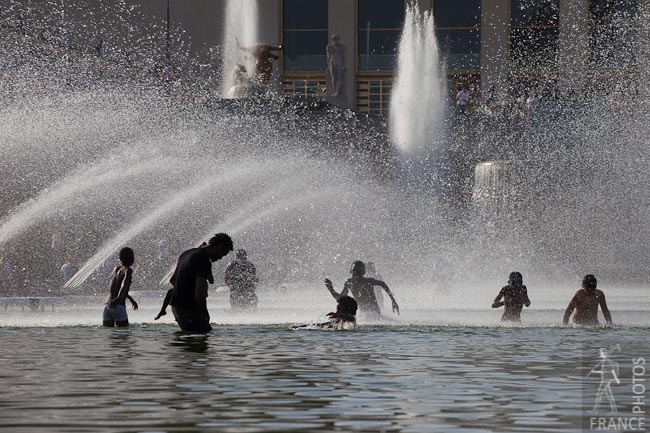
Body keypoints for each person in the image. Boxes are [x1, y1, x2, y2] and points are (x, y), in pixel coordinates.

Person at [168, 234, 234, 332]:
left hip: (177, 308)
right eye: (222, 254)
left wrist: (185, 292)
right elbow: (199, 296)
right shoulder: (203, 260)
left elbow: (173, 280)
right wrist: (205, 314)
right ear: (217, 247)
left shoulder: (187, 253)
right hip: (190, 310)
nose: (220, 258)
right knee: (202, 339)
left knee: (189, 342)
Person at [324, 260, 399, 320]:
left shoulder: (368, 282)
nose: (356, 275)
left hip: (375, 314)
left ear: (363, 273)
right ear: (351, 272)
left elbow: (382, 284)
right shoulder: (349, 283)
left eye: (358, 272)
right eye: (354, 272)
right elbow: (340, 298)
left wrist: (393, 300)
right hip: (364, 316)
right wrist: (331, 289)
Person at [103, 247, 138, 327]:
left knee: (110, 336)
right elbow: (124, 285)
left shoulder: (115, 269)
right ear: (131, 258)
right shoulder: (128, 270)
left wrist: (131, 299)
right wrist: (118, 299)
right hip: (118, 305)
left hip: (107, 305)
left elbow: (115, 288)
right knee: (124, 336)